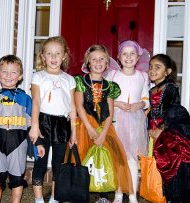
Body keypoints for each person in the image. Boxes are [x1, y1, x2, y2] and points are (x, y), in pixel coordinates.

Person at [148, 54, 190, 203]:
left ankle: (183, 195)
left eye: (157, 67)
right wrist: (150, 126)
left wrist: (161, 129)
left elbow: (171, 108)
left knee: (177, 158)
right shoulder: (152, 91)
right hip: (159, 126)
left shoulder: (170, 87)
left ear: (168, 72)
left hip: (174, 125)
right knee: (163, 160)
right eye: (150, 67)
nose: (152, 70)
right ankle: (166, 195)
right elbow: (153, 111)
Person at [75, 44, 133, 203]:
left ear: (107, 64)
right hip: (85, 124)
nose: (98, 62)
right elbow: (79, 105)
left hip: (104, 126)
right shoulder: (80, 81)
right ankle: (81, 192)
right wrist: (89, 128)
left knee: (107, 158)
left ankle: (104, 194)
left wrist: (104, 132)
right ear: (88, 63)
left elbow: (110, 111)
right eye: (94, 59)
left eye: (102, 59)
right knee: (83, 157)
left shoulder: (110, 86)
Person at [0, 54, 35, 203]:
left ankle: (15, 202)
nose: (8, 76)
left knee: (17, 176)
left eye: (13, 72)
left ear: (20, 76)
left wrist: (37, 144)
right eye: (4, 71)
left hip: (18, 142)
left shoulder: (26, 99)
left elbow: (32, 124)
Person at [29, 36, 77, 203]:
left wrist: (74, 133)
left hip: (62, 125)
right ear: (43, 56)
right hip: (43, 122)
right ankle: (38, 199)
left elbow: (72, 107)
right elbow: (35, 102)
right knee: (40, 163)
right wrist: (34, 126)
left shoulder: (69, 80)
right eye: (49, 53)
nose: (54, 57)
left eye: (58, 53)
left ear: (64, 56)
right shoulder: (38, 77)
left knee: (58, 164)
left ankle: (55, 198)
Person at [105, 40, 150, 203]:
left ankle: (132, 194)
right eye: (124, 53)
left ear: (138, 57)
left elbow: (147, 98)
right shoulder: (113, 75)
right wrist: (117, 103)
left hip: (135, 121)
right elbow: (106, 97)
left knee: (132, 158)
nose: (128, 57)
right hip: (116, 118)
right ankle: (118, 193)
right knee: (118, 157)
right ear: (119, 56)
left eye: (132, 54)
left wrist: (140, 104)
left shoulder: (142, 76)